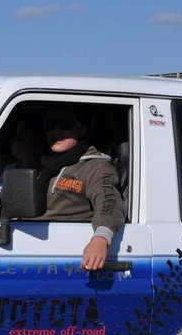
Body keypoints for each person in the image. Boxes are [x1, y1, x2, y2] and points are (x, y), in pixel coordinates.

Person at [36, 106, 124, 271]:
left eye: (65, 124)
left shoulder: (97, 167)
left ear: (81, 130)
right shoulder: (43, 163)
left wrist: (100, 239)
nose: (56, 130)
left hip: (65, 253)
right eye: (51, 124)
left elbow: (109, 202)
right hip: (31, 239)